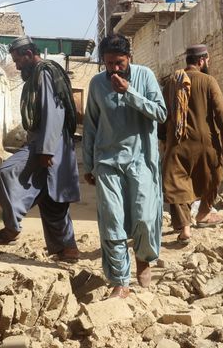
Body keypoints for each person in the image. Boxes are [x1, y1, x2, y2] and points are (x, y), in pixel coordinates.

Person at [83, 34, 167, 298]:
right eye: (108, 64)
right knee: (112, 220)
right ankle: (120, 280)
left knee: (143, 217)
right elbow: (91, 126)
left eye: (119, 63)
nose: (114, 69)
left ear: (129, 58)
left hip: (141, 159)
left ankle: (143, 258)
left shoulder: (145, 76)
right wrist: (89, 164)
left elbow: (160, 113)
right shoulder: (97, 84)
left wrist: (128, 92)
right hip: (107, 161)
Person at [0, 36, 81, 262]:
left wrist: (46, 150)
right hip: (44, 143)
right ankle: (68, 250)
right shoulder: (38, 74)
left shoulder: (44, 73)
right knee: (51, 199)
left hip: (50, 144)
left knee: (7, 172)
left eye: (17, 61)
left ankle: (12, 228)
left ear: (28, 55)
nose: (16, 66)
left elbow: (53, 112)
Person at [161, 44, 223, 245]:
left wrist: (162, 139)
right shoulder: (208, 81)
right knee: (214, 175)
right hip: (206, 141)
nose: (207, 63)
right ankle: (202, 214)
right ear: (201, 61)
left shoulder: (171, 82)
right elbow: (221, 112)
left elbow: (163, 113)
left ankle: (185, 227)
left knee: (175, 183)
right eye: (207, 60)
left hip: (177, 142)